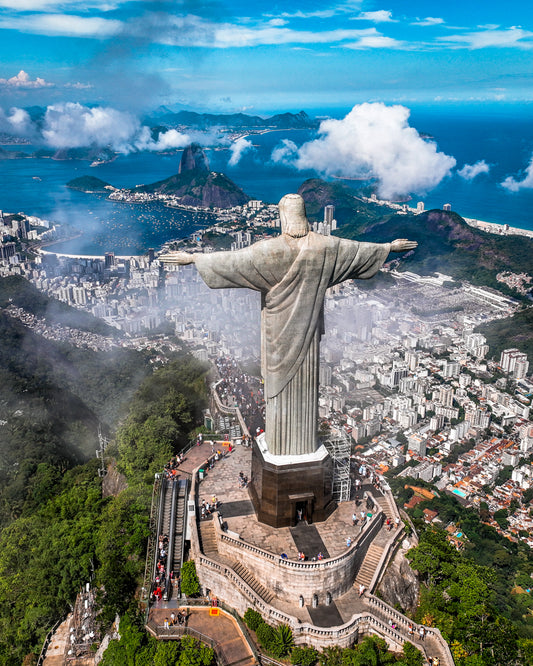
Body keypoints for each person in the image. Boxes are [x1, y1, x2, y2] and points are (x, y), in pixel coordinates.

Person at [160, 194, 416, 457]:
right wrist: (388, 247)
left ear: (283, 216)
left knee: (277, 388)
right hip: (308, 334)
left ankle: (281, 448)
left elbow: (233, 261)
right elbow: (358, 250)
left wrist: (193, 258)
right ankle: (301, 448)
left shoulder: (268, 250)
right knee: (305, 388)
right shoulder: (326, 247)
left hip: (277, 337)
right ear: (304, 215)